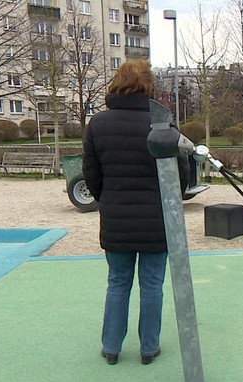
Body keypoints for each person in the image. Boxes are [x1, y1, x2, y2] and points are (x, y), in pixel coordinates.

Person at [82, 60, 190, 365]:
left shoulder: (98, 124)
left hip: (116, 217)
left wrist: (109, 200)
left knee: (117, 282)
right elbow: (181, 174)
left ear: (117, 82)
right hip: (157, 220)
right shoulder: (162, 124)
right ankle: (148, 347)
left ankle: (112, 347)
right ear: (149, 86)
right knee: (152, 284)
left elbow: (91, 174)